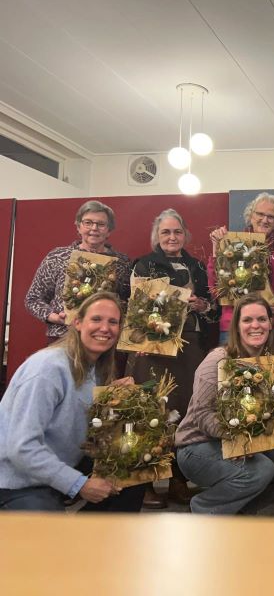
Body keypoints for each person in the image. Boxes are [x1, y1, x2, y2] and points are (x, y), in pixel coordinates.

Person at [0, 292, 144, 512]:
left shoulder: (94, 367)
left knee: (134, 471)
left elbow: (76, 407)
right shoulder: (47, 369)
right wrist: (79, 484)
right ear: (77, 322)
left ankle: (92, 531)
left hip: (61, 463)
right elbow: (22, 448)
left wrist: (111, 395)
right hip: (16, 480)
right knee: (50, 530)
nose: (105, 328)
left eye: (113, 322)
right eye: (96, 319)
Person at [128, 209, 216, 508]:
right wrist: (141, 339)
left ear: (185, 235)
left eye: (177, 231)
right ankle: (146, 484)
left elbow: (213, 305)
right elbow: (135, 307)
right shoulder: (143, 264)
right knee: (153, 409)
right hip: (153, 347)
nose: (172, 237)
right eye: (165, 232)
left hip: (190, 344)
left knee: (187, 408)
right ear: (157, 236)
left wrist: (202, 305)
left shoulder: (197, 266)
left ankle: (179, 479)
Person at [175, 294, 274, 515]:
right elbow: (202, 414)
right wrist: (237, 440)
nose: (255, 326)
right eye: (247, 320)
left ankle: (239, 514)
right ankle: (203, 509)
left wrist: (251, 441)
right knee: (260, 470)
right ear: (236, 326)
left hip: (249, 438)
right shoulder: (218, 359)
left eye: (262, 319)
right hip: (197, 445)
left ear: (270, 323)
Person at [25, 200, 131, 341]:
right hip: (63, 336)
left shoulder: (121, 263)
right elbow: (33, 299)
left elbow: (126, 303)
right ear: (79, 227)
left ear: (109, 230)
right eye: (88, 223)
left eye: (101, 224)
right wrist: (54, 317)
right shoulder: (58, 257)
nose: (94, 228)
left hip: (104, 338)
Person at [208, 192, 274, 353]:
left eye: (271, 217)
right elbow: (215, 289)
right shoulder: (231, 243)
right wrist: (216, 247)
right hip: (233, 323)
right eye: (260, 214)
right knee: (232, 368)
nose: (265, 220)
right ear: (250, 215)